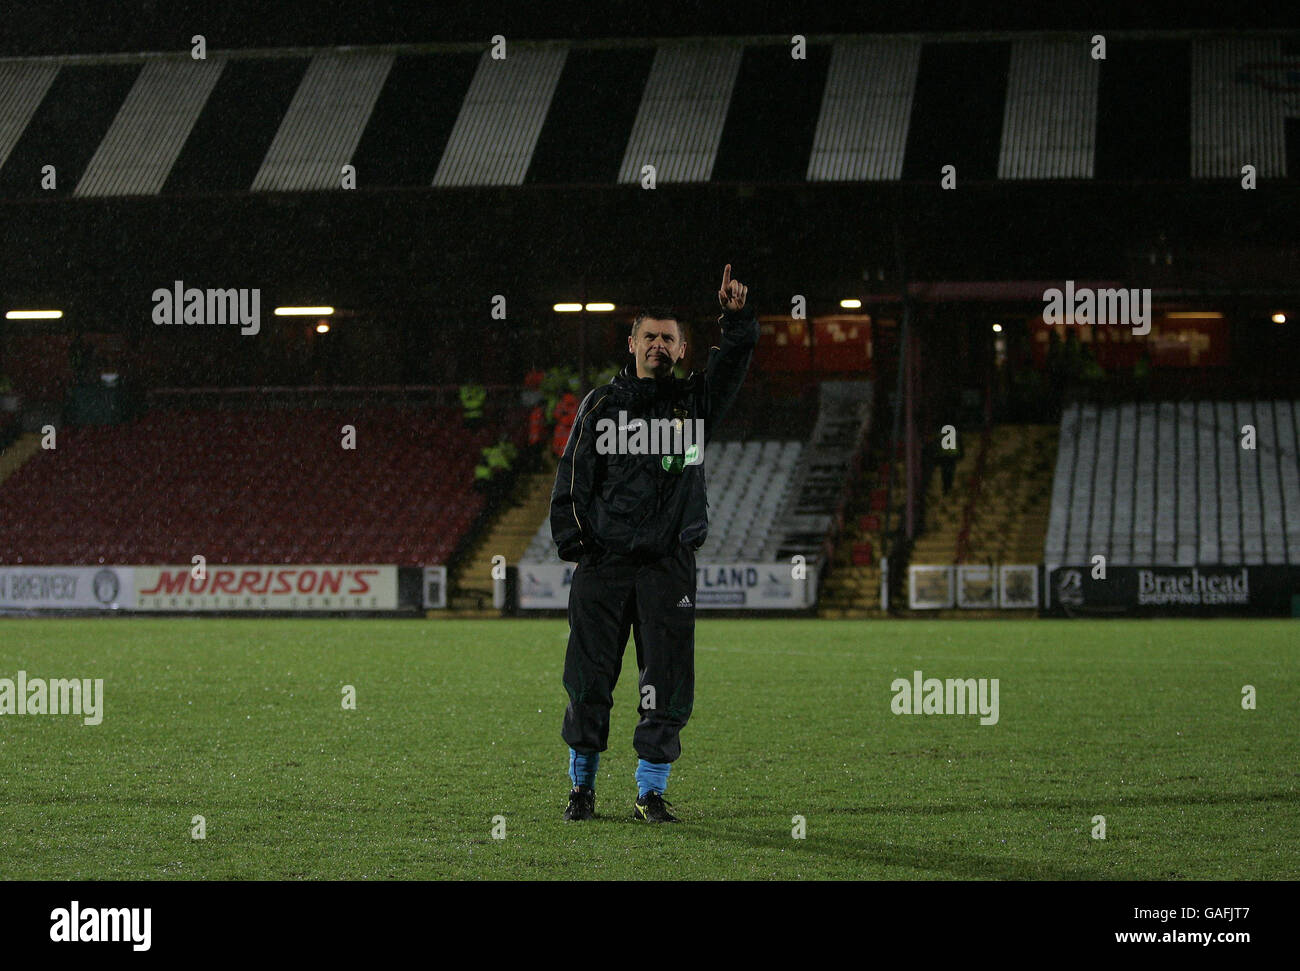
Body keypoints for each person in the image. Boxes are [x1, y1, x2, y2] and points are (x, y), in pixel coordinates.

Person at [550, 264, 757, 823]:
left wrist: (735, 322)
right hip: (605, 568)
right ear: (632, 343)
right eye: (650, 336)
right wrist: (583, 547)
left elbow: (732, 366)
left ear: (684, 347)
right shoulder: (599, 405)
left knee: (665, 683)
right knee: (590, 680)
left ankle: (650, 792)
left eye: (669, 337)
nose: (659, 345)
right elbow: (572, 478)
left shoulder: (694, 404)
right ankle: (581, 790)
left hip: (667, 568)